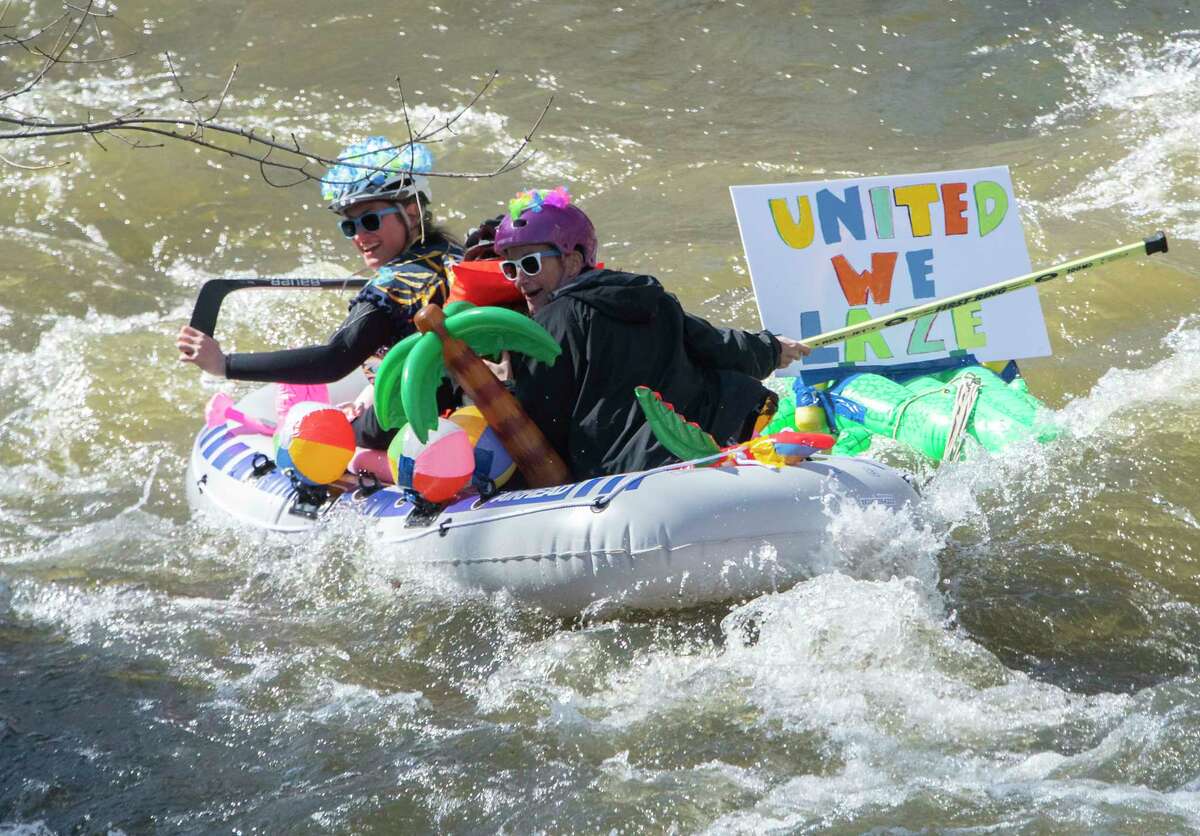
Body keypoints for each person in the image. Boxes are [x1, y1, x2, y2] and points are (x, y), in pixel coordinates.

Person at [492, 187, 811, 481]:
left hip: (625, 471)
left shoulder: (551, 325)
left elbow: (538, 421)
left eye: (530, 264)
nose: (520, 279)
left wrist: (503, 387)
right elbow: (716, 344)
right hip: (702, 440)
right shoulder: (651, 299)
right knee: (721, 378)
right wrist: (771, 348)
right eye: (510, 268)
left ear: (573, 261)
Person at [176, 137, 462, 450]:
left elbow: (332, 360)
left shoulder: (394, 287)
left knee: (331, 441)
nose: (360, 237)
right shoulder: (453, 253)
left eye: (369, 220)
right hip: (457, 407)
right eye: (350, 227)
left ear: (411, 213)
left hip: (418, 422)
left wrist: (224, 364)